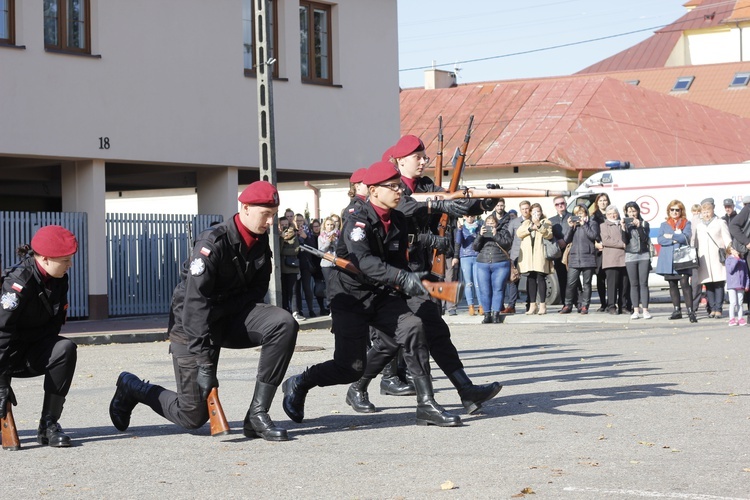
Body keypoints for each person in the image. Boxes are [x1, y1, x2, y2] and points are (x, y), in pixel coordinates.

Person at [109, 181, 299, 441]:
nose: (270, 221)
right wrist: (204, 363)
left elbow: (257, 291)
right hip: (191, 326)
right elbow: (195, 304)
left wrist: (224, 309)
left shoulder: (259, 241)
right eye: (265, 214)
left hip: (226, 318)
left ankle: (257, 414)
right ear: (244, 208)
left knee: (283, 323)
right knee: (192, 416)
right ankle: (133, 388)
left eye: (273, 215)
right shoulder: (213, 242)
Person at [281, 161, 461, 427]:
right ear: (374, 191)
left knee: (413, 327)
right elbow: (364, 262)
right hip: (351, 297)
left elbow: (398, 260)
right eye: (393, 187)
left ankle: (426, 405)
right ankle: (300, 382)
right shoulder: (357, 219)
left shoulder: (398, 218)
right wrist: (401, 278)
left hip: (381, 294)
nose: (399, 191)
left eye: (400, 185)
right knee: (348, 367)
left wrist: (413, 281)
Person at [344, 135, 502, 416]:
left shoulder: (426, 185)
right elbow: (407, 207)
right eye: (417, 157)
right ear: (400, 160)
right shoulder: (389, 188)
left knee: (428, 331)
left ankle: (463, 390)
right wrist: (436, 206)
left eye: (424, 156)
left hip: (417, 269)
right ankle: (369, 387)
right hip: (388, 275)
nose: (423, 161)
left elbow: (451, 201)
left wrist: (482, 204)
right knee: (403, 335)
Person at [0, 225, 78, 448]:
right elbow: (2, 332)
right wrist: (1, 382)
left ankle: (48, 425)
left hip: (29, 351)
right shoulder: (17, 283)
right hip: (3, 355)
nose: (69, 264)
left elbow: (53, 326)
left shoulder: (59, 278)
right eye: (65, 260)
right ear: (44, 258)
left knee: (65, 349)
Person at [655, 200, 697, 323]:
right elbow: (660, 239)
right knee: (672, 284)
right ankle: (677, 310)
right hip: (668, 259)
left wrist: (671, 236)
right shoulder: (664, 224)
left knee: (685, 284)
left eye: (677, 210)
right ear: (669, 211)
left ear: (681, 211)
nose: (674, 212)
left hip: (682, 258)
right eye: (672, 210)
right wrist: (674, 239)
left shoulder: (686, 223)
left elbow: (685, 237)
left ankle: (690, 310)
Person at [692, 198, 731, 319]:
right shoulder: (699, 226)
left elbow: (727, 239)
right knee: (708, 284)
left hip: (717, 258)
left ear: (713, 211)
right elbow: (695, 242)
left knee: (719, 283)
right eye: (704, 212)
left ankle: (718, 309)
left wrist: (729, 251)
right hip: (704, 259)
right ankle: (712, 308)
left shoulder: (720, 222)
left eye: (708, 211)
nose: (706, 214)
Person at [473, 213, 513, 323]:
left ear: (497, 224)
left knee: (498, 288)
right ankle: (486, 314)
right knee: (484, 290)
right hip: (483, 263)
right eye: (488, 223)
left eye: (492, 223)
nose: (490, 225)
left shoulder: (503, 232)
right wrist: (480, 235)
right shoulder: (481, 232)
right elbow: (475, 247)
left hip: (500, 263)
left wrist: (496, 235)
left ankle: (496, 314)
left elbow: (507, 244)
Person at [559, 204, 599, 314]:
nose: (579, 215)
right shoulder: (574, 225)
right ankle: (568, 305)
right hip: (574, 257)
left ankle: (585, 306)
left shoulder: (592, 223)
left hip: (588, 257)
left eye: (581, 213)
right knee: (570, 283)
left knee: (587, 284)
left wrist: (584, 224)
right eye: (576, 214)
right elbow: (566, 239)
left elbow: (593, 236)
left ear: (586, 213)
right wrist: (570, 227)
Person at [517, 203, 553, 315]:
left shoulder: (546, 222)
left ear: (541, 212)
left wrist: (538, 225)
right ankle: (532, 305)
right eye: (534, 212)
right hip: (529, 256)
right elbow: (519, 233)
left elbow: (549, 235)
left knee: (541, 278)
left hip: (540, 254)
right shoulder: (527, 222)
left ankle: (543, 305)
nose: (536, 214)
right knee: (530, 279)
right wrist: (530, 228)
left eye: (538, 211)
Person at [622, 202, 652, 319]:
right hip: (630, 255)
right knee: (633, 284)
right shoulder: (626, 224)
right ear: (626, 213)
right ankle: (635, 310)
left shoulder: (644, 223)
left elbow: (645, 239)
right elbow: (624, 240)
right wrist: (623, 228)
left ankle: (645, 310)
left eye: (634, 211)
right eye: (629, 212)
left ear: (638, 211)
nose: (632, 214)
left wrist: (639, 226)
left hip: (643, 255)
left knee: (643, 283)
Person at [502, 201, 530, 314]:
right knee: (514, 280)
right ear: (520, 209)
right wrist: (508, 255)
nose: (525, 211)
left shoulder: (533, 221)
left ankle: (530, 303)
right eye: (523, 209)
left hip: (529, 254)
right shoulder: (514, 222)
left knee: (530, 280)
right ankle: (511, 305)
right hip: (516, 254)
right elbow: (509, 239)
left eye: (527, 208)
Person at [549, 195, 576, 309]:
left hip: (572, 251)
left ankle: (578, 302)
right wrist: (557, 241)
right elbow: (549, 236)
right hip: (559, 253)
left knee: (574, 278)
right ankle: (566, 304)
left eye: (562, 203)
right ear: (555, 206)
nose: (560, 205)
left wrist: (565, 241)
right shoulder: (552, 221)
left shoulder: (573, 217)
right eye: (557, 204)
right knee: (562, 278)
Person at [600, 205, 627, 315]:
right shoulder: (603, 225)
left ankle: (623, 306)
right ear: (606, 215)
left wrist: (624, 228)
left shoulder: (622, 224)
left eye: (614, 213)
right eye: (610, 213)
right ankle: (611, 306)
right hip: (611, 260)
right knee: (612, 285)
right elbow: (606, 241)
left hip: (624, 258)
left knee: (624, 285)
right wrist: (622, 244)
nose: (612, 215)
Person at [455, 214, 482, 316]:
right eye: (468, 216)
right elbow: (459, 241)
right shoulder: (462, 228)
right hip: (465, 256)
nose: (470, 218)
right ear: (464, 217)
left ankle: (481, 305)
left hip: (477, 256)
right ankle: (470, 306)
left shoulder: (479, 227)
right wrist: (459, 230)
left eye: (472, 216)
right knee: (468, 283)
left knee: (478, 283)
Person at [279, 217, 305, 321]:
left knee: (293, 291)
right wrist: (281, 239)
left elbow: (296, 250)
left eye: (286, 224)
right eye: (282, 225)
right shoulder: (279, 237)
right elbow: (279, 250)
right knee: (284, 291)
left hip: (292, 268)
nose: (285, 227)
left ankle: (295, 312)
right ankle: (286, 310)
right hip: (281, 268)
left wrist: (285, 251)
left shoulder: (294, 236)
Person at [590, 193, 611, 312]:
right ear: (597, 203)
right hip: (599, 250)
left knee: (611, 278)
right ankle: (603, 303)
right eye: (601, 200)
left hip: (611, 249)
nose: (603, 202)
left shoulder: (612, 214)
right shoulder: (594, 217)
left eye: (605, 200)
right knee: (600, 277)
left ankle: (611, 302)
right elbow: (591, 233)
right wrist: (595, 243)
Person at [295, 214, 317, 318]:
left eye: (301, 220)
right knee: (297, 289)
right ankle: (299, 310)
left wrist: (306, 237)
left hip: (306, 263)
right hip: (294, 264)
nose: (299, 222)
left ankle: (311, 309)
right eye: (297, 220)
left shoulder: (308, 232)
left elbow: (313, 247)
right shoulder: (292, 231)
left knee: (307, 288)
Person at [725, 245, 750, 326]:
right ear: (729, 251)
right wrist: (735, 259)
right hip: (732, 285)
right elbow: (730, 270)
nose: (735, 250)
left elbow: (746, 274)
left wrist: (747, 284)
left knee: (740, 302)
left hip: (741, 284)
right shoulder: (729, 260)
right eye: (732, 249)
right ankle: (731, 319)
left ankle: (740, 318)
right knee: (733, 302)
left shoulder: (742, 261)